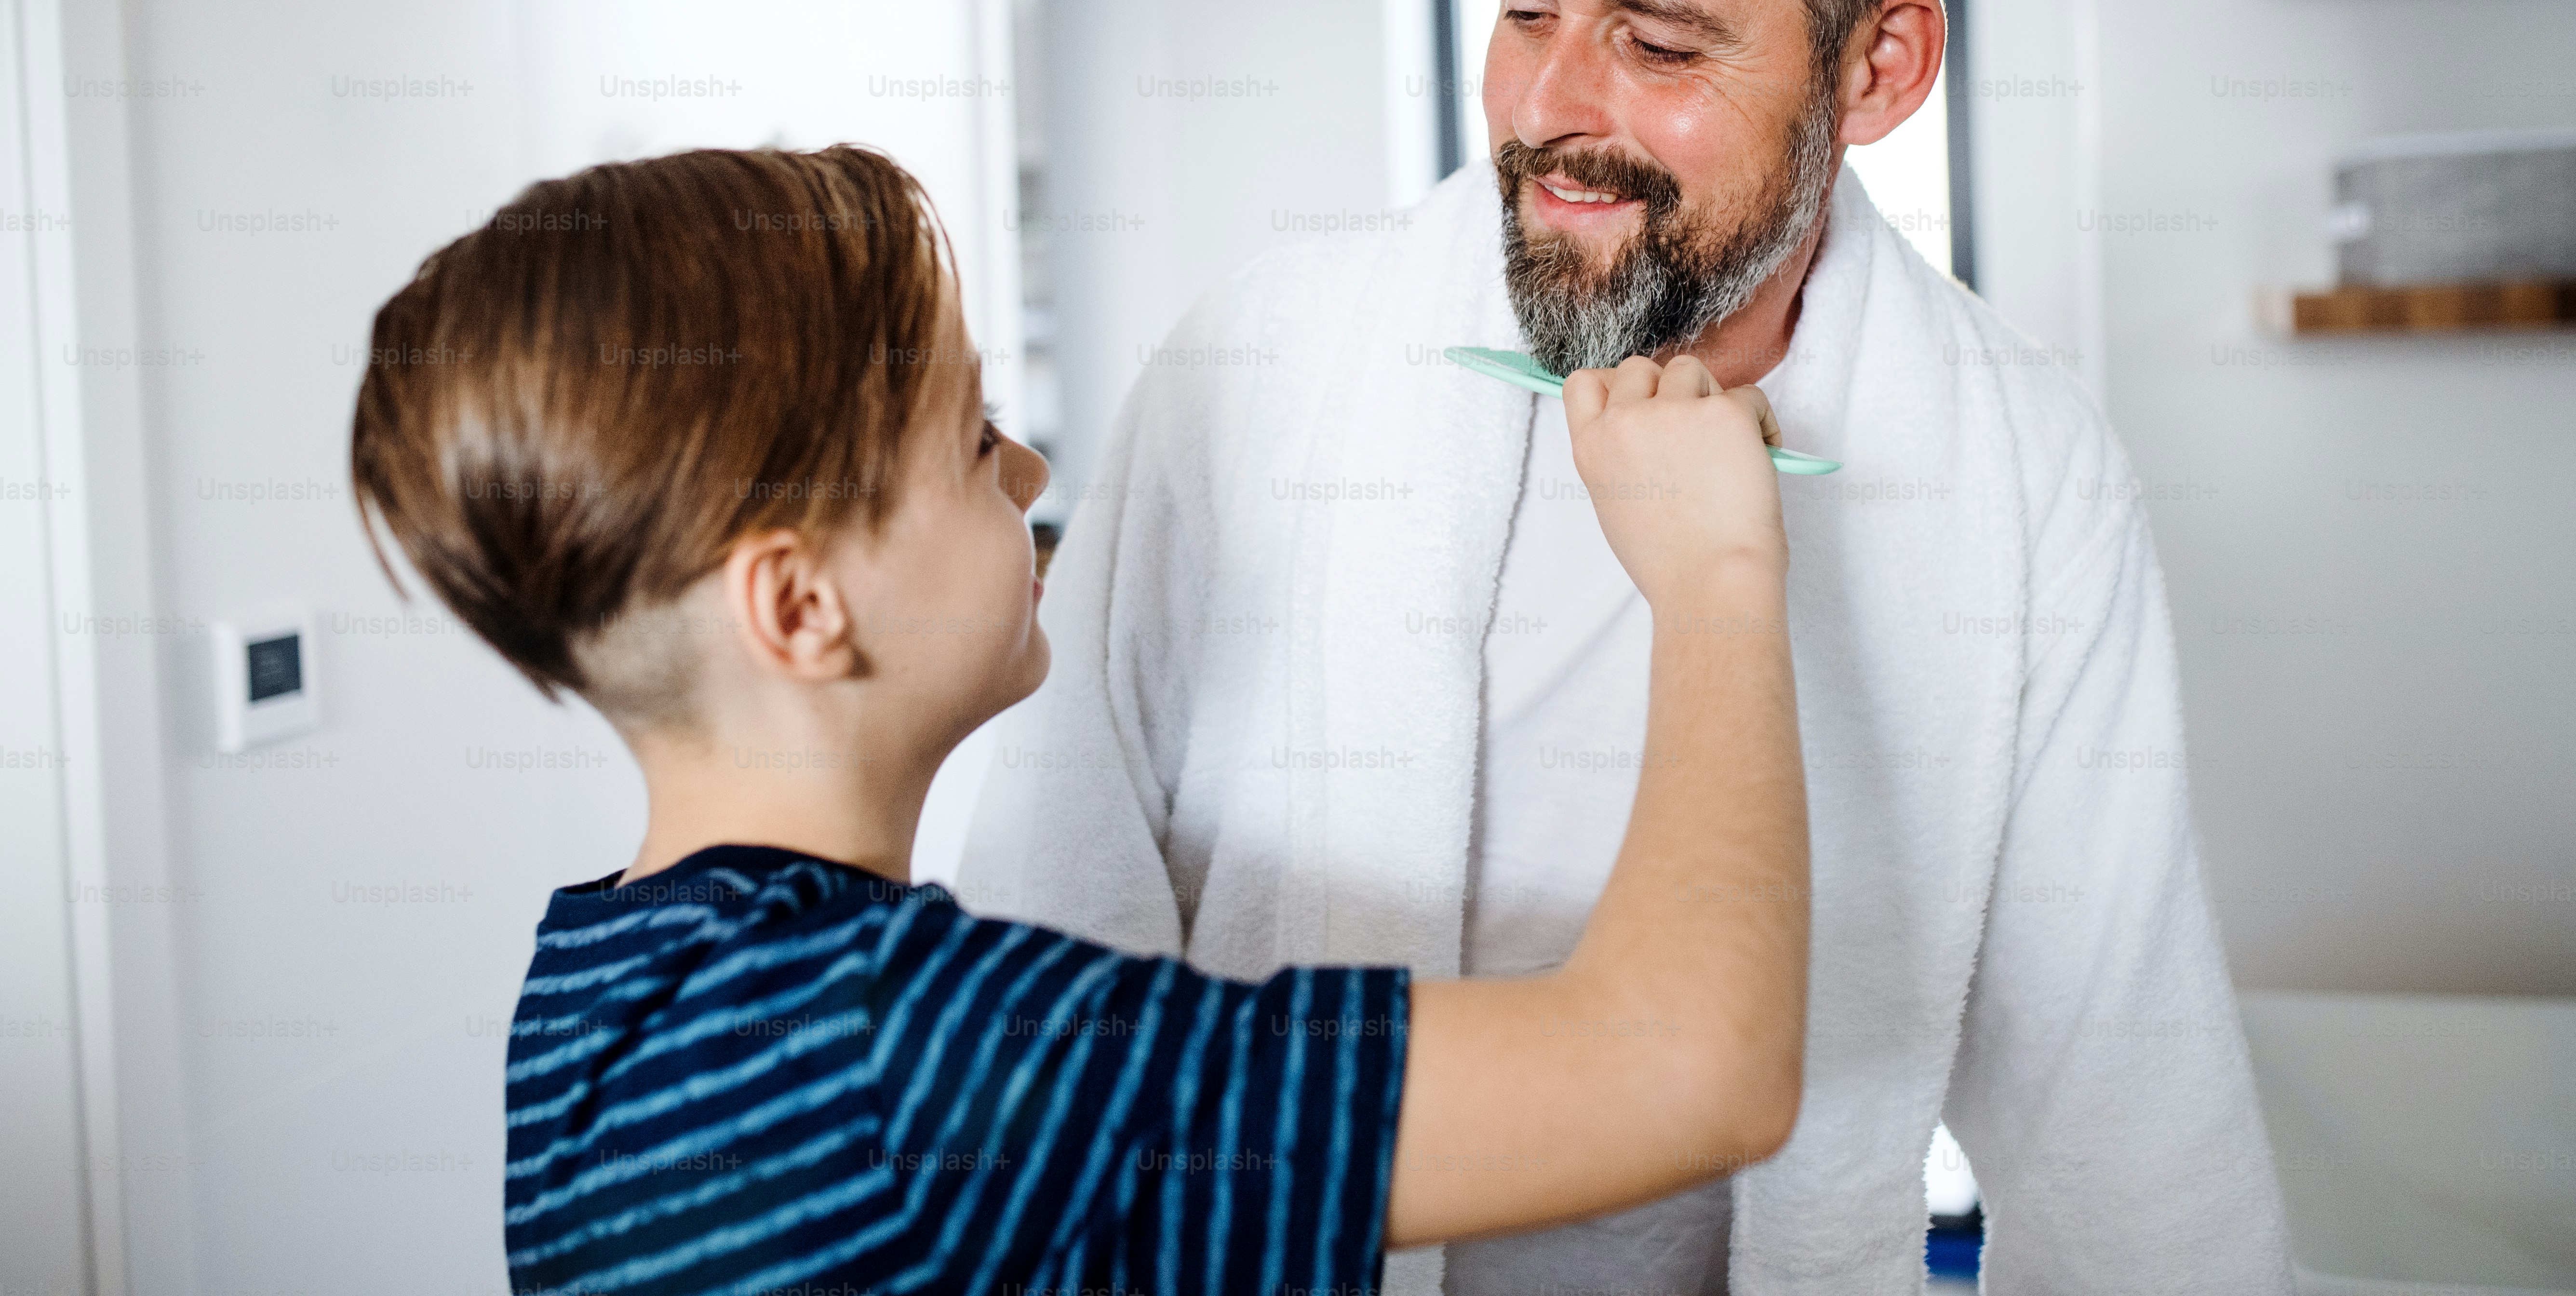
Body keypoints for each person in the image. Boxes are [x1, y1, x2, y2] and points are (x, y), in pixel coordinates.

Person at [961, 0, 2297, 1294]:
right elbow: (1045, 928)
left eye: (1657, 42)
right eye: (1526, 9)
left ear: (1880, 69)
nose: (1546, 110)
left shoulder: (2027, 482)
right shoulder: (1263, 371)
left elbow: (2121, 1110)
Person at [346, 143, 1812, 1295]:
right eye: (971, 437)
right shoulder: (917, 1062)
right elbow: (1691, 1070)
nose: (1034, 469)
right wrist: (1717, 575)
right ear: (798, 609)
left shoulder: (601, 983)